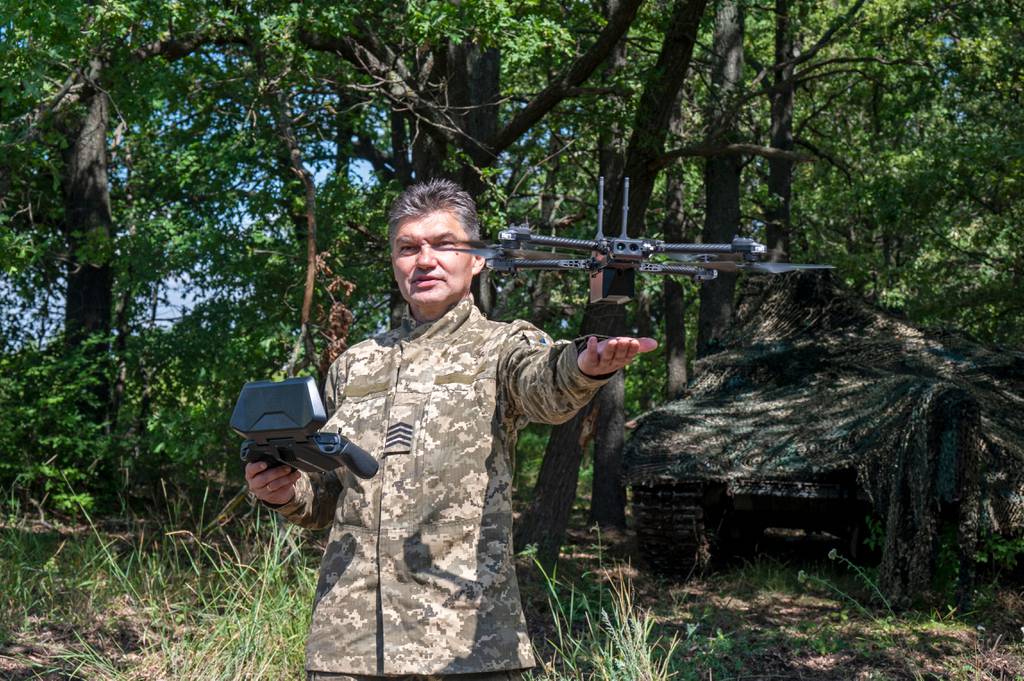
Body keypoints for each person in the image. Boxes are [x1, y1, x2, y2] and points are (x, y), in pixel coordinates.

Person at [245, 179, 657, 680]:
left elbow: (545, 384)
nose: (424, 260)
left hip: (468, 645)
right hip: (348, 646)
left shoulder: (504, 346)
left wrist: (586, 365)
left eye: (443, 244)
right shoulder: (354, 365)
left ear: (478, 258)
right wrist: (284, 492)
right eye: (407, 248)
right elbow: (332, 497)